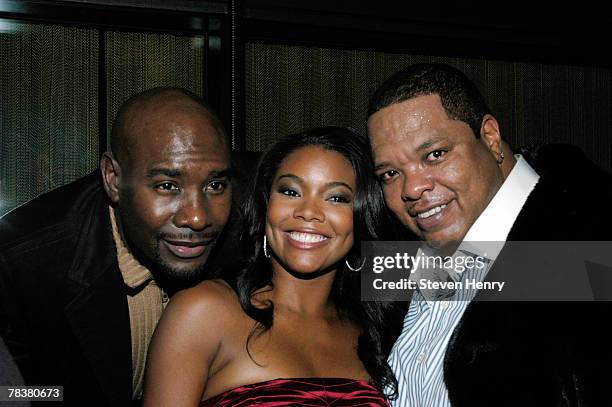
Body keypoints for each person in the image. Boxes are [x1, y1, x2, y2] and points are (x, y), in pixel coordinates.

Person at [366, 63, 612, 406]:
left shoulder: (590, 246)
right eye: (391, 173)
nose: (412, 188)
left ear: (491, 137)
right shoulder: (394, 265)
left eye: (435, 155)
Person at [0, 87, 233, 406]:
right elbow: (8, 393)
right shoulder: (22, 262)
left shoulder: (254, 223)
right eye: (167, 186)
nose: (196, 216)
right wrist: (62, 398)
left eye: (215, 185)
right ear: (113, 178)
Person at [142, 126, 405, 406]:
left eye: (337, 198)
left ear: (362, 214)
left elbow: (455, 265)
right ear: (266, 204)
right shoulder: (203, 310)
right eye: (290, 192)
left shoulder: (375, 327)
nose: (307, 212)